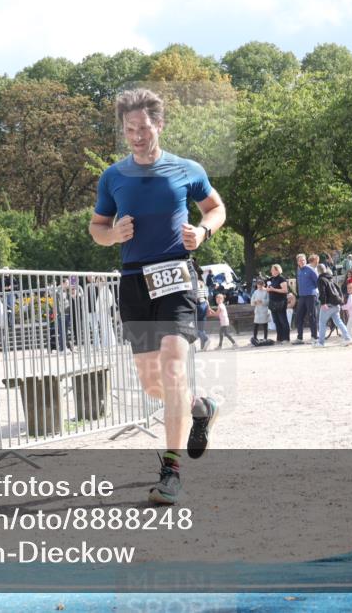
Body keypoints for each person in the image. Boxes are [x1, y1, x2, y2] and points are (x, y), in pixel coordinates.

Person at [89, 87, 226, 505]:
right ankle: (199, 407)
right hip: (133, 282)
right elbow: (97, 228)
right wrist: (113, 235)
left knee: (172, 366)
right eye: (130, 129)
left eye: (144, 128)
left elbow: (216, 208)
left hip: (175, 277)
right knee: (154, 387)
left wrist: (202, 231)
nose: (137, 136)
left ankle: (171, 470)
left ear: (159, 125)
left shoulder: (186, 169)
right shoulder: (113, 177)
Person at [314, 266, 351, 347]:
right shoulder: (330, 278)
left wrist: (323, 303)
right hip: (336, 303)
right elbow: (338, 289)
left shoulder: (321, 279)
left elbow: (322, 292)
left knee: (322, 323)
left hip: (328, 304)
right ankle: (347, 338)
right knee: (338, 321)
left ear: (318, 271)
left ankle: (321, 343)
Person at [292, 253, 319, 344]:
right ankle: (299, 338)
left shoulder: (310, 270)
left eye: (303, 260)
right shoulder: (298, 271)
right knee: (299, 316)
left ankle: (314, 337)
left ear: (306, 261)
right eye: (300, 260)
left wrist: (312, 290)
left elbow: (317, 282)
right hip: (302, 297)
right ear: (297, 262)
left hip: (311, 296)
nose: (302, 262)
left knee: (312, 316)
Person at [266, 264, 290, 343]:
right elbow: (271, 289)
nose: (271, 271)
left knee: (283, 320)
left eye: (272, 270)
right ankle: (279, 338)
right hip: (273, 303)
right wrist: (268, 289)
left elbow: (285, 290)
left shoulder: (281, 279)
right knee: (276, 321)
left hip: (280, 302)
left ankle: (286, 338)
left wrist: (273, 289)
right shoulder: (272, 279)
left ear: (277, 270)